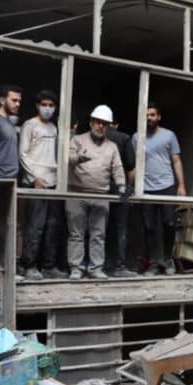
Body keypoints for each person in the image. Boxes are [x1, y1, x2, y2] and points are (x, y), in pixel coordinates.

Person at [66, 105, 126, 280]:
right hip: (76, 193)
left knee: (98, 235)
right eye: (98, 122)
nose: (101, 126)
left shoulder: (112, 147)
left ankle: (95, 268)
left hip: (100, 195)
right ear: (91, 122)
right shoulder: (77, 140)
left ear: (109, 126)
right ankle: (76, 268)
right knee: (76, 234)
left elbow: (117, 168)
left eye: (105, 124)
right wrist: (78, 158)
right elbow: (67, 159)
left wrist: (122, 186)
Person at [19, 89, 67, 281]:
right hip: (36, 184)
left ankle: (48, 266)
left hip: (53, 183)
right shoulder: (30, 125)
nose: (47, 108)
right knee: (35, 226)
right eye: (44, 105)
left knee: (52, 226)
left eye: (51, 105)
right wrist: (34, 178)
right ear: (37, 106)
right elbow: (23, 154)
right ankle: (28, 265)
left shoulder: (54, 128)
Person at [133, 104, 186, 276]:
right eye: (146, 115)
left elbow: (176, 160)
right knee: (149, 227)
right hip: (145, 188)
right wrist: (131, 187)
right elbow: (134, 164)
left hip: (167, 186)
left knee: (169, 223)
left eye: (152, 115)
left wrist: (181, 185)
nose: (149, 118)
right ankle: (154, 263)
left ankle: (168, 259)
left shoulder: (169, 135)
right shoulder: (137, 137)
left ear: (159, 117)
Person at [104, 120, 137, 277]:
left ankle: (103, 264)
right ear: (116, 124)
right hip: (119, 188)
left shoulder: (97, 136)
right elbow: (131, 167)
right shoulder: (124, 138)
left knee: (101, 227)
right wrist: (129, 188)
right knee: (120, 227)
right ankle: (119, 266)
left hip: (100, 187)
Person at [0, 84, 22, 179]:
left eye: (19, 101)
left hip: (12, 177)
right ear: (2, 100)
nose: (18, 104)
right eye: (14, 100)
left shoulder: (10, 123)